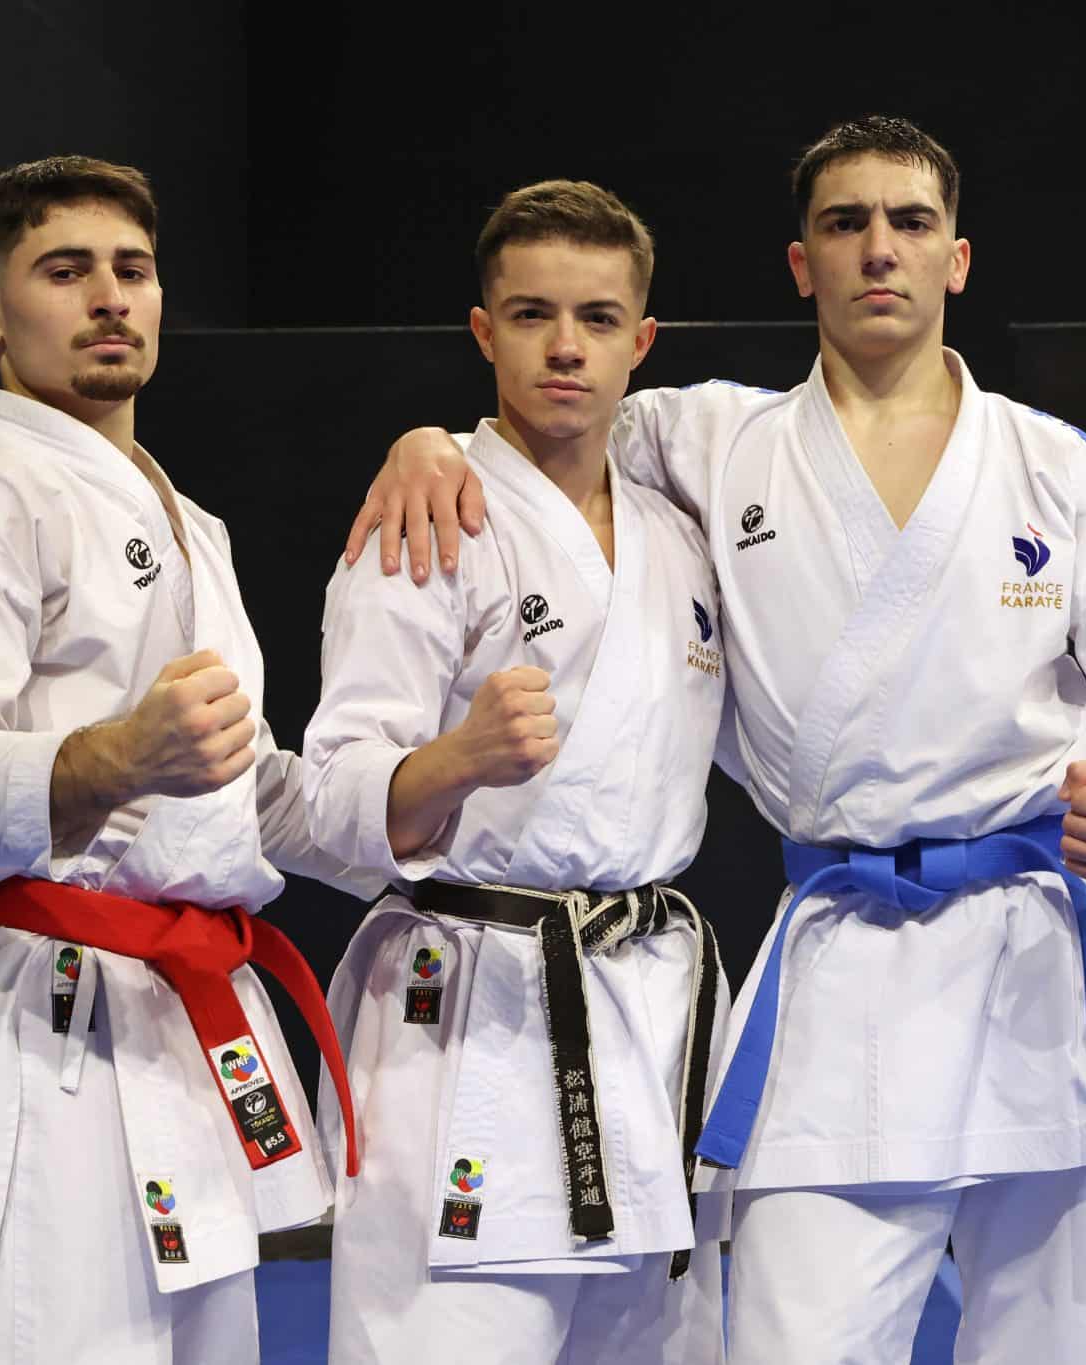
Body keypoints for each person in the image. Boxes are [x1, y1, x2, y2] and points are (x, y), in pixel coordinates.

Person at [348, 115, 1086, 1363]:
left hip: (1030, 954)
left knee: (1054, 1340)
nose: (878, 249)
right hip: (843, 957)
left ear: (955, 259)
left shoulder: (1057, 466)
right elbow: (547, 423)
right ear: (800, 262)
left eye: (909, 222)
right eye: (844, 223)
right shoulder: (711, 440)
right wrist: (428, 444)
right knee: (790, 1337)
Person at [0, 156, 368, 1365]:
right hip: (40, 1027)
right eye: (64, 270)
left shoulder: (191, 522)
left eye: (132, 269)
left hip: (187, 1020)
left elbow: (241, 791)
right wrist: (118, 757)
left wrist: (432, 788)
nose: (108, 297)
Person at [302, 180, 730, 1365]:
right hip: (472, 1016)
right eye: (532, 315)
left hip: (648, 1010)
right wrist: (457, 760)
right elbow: (328, 796)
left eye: (597, 319)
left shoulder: (680, 534)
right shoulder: (430, 517)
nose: (565, 347)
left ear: (642, 342)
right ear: (483, 332)